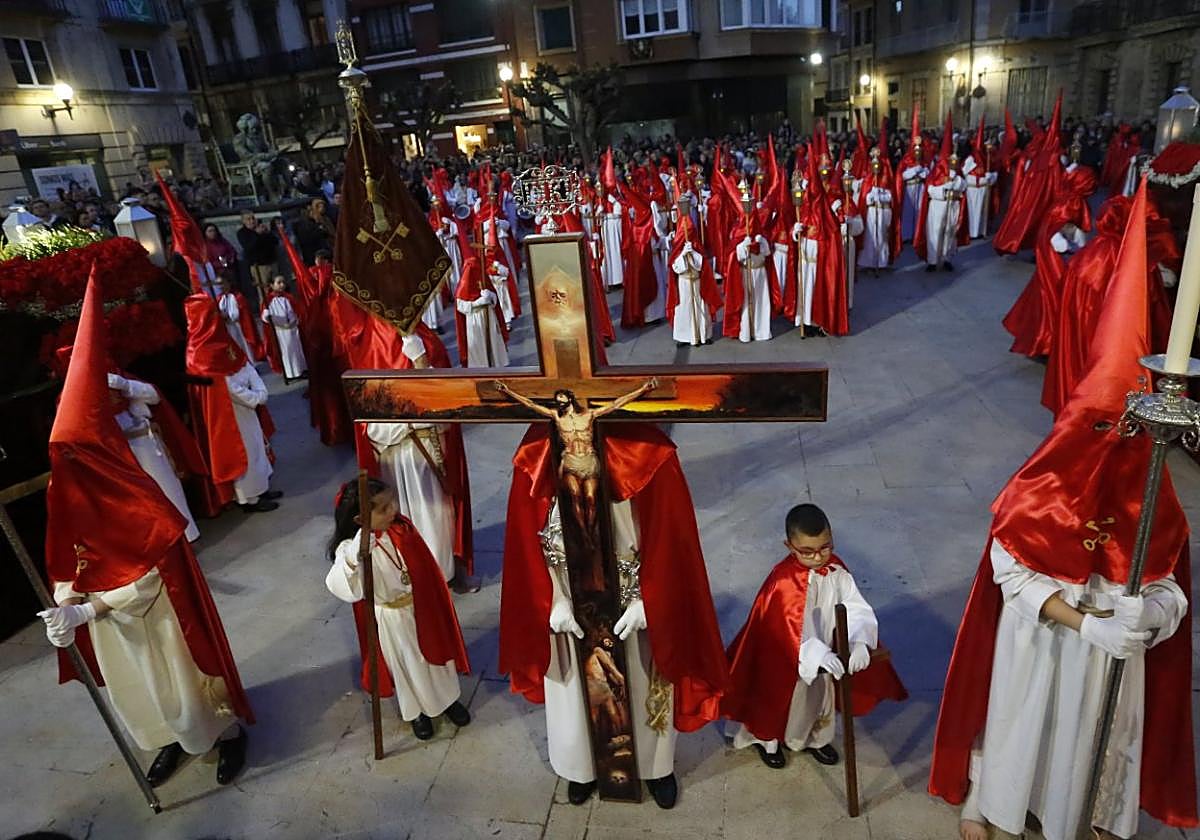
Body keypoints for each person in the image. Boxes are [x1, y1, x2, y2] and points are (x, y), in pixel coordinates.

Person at [929, 182, 1196, 840]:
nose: (1112, 447)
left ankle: (1097, 813)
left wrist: (1149, 615)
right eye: (1098, 429)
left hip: (1111, 661)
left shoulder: (1152, 496)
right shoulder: (1039, 489)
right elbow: (1010, 573)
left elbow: (1172, 591)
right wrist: (1082, 622)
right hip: (1042, 644)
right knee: (1025, 722)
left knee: (1098, 739)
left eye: (1125, 433)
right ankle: (996, 799)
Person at [38, 272, 253, 788]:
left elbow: (154, 575)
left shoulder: (137, 496)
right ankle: (171, 741)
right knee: (142, 693)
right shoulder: (65, 491)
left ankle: (223, 735)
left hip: (158, 617)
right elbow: (64, 556)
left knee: (184, 685)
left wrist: (88, 609)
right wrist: (63, 606)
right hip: (113, 627)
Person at [498, 422, 729, 809]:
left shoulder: (646, 452)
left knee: (641, 681)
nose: (578, 439)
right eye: (569, 431)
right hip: (569, 595)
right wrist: (553, 599)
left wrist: (649, 601)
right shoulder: (536, 454)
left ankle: (655, 769)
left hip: (633, 594)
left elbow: (671, 537)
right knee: (575, 689)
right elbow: (527, 537)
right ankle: (581, 768)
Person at [722, 504, 907, 768]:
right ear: (789, 546)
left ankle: (814, 739)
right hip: (785, 657)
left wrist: (858, 642)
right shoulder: (783, 581)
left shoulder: (836, 570)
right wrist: (816, 653)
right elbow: (783, 629)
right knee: (779, 699)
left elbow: (855, 606)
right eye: (807, 552)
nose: (819, 557)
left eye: (825, 547)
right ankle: (767, 740)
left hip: (825, 649)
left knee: (818, 697)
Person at [325, 478, 472, 740]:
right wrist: (354, 557)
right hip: (392, 617)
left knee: (437, 659)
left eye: (392, 502)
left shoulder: (401, 529)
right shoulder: (351, 549)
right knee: (408, 665)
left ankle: (448, 700)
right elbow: (340, 584)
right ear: (360, 519)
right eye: (383, 509)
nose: (393, 509)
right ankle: (417, 712)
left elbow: (424, 566)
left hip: (421, 605)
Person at [184, 293, 280, 514]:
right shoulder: (197, 351)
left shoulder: (223, 338)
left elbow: (242, 362)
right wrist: (253, 398)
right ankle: (251, 498)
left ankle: (262, 487)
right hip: (230, 412)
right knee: (243, 452)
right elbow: (221, 385)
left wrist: (259, 388)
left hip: (248, 403)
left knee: (257, 445)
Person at [106, 370, 204, 542]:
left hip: (149, 444)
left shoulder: (119, 377)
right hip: (123, 451)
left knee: (170, 491)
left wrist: (126, 386)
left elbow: (153, 396)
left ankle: (186, 537)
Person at [722, 184, 778, 343]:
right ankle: (746, 331)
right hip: (745, 271)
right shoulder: (738, 231)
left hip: (760, 272)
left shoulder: (761, 233)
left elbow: (767, 254)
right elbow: (733, 255)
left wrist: (762, 243)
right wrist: (742, 246)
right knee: (746, 302)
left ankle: (762, 330)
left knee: (761, 301)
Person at [915, 115, 967, 273]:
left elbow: (963, 186)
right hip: (938, 205)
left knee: (950, 232)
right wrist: (945, 187)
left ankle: (946, 258)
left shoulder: (957, 172)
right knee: (935, 231)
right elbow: (930, 189)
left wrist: (955, 179)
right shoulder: (936, 171)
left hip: (953, 205)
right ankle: (932, 260)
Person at [667, 203, 721, 347]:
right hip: (684, 282)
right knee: (684, 308)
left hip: (697, 282)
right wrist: (683, 255)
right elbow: (675, 267)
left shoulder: (697, 246)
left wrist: (694, 253)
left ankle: (704, 335)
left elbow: (702, 264)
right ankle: (684, 336)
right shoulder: (678, 248)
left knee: (700, 307)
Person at [453, 253, 509, 367]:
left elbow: (495, 301)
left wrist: (491, 296)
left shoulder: (483, 278)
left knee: (493, 344)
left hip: (489, 316)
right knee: (478, 348)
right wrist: (478, 302)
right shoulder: (464, 284)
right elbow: (460, 306)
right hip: (475, 320)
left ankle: (495, 366)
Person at [261, 275, 309, 383]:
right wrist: (268, 316)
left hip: (293, 328)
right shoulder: (268, 300)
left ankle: (301, 370)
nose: (282, 285)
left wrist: (294, 321)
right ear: (272, 285)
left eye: (283, 282)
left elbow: (296, 311)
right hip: (280, 331)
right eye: (278, 283)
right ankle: (290, 373)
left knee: (297, 349)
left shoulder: (289, 297)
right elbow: (265, 317)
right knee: (287, 351)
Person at [962, 120, 998, 240]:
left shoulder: (987, 158)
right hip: (972, 189)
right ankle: (972, 232)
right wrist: (971, 165)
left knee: (981, 211)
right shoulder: (970, 159)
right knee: (972, 211)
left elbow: (994, 173)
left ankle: (981, 231)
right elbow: (963, 172)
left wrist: (990, 176)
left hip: (983, 188)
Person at [236, 212, 278, 310]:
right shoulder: (243, 233)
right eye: (248, 219)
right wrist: (256, 234)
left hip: (272, 262)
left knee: (276, 288)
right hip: (259, 266)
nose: (252, 221)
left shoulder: (261, 228)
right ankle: (265, 311)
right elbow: (249, 247)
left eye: (253, 218)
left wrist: (267, 232)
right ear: (243, 221)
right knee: (264, 291)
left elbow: (275, 241)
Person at [294, 197, 337, 264]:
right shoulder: (305, 223)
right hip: (314, 253)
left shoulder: (324, 218)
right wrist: (321, 230)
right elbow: (310, 237)